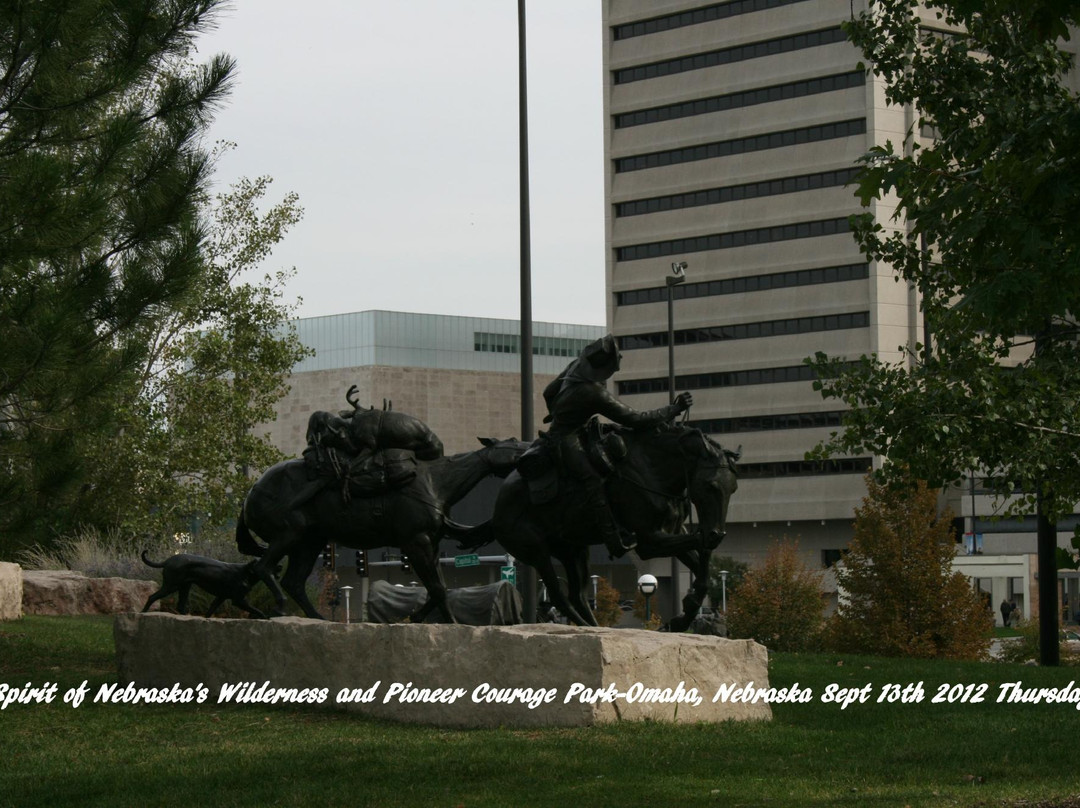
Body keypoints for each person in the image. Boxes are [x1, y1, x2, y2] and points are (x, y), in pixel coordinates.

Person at [541, 334, 693, 558]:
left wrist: (557, 412)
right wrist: (674, 409)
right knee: (592, 480)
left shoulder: (575, 368)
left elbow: (547, 392)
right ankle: (613, 537)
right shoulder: (592, 392)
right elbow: (636, 419)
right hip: (566, 440)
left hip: (581, 429)